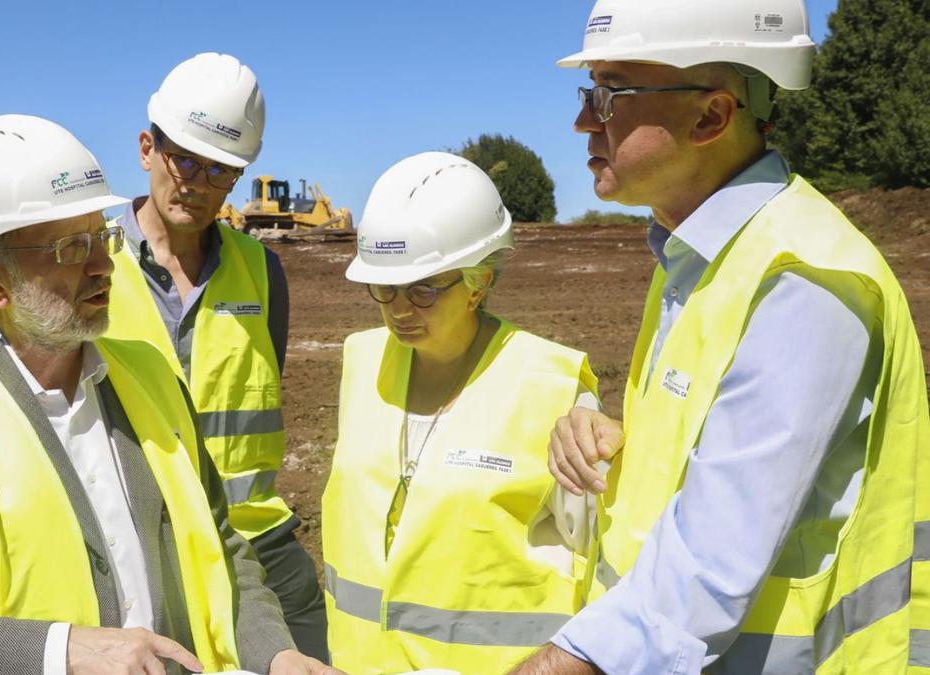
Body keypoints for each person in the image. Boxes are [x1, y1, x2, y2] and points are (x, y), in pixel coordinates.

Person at [0, 114, 339, 675]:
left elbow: (223, 548)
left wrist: (276, 652)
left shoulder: (152, 377)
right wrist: (56, 651)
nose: (104, 267)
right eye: (72, 249)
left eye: (104, 237)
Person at [513, 1, 930, 673]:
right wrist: (616, 439)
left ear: (711, 115)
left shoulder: (804, 281)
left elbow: (704, 572)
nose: (583, 120)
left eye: (609, 93)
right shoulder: (697, 256)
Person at [321, 152, 601, 674]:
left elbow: (604, 568)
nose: (398, 310)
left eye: (423, 290)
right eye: (383, 289)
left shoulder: (553, 387)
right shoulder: (361, 361)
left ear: (479, 282)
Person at [103, 52, 328, 660]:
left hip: (256, 541)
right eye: (185, 161)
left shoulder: (262, 271)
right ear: (148, 148)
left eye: (221, 171)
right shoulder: (89, 261)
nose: (198, 185)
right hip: (145, 551)